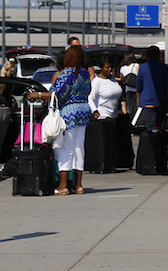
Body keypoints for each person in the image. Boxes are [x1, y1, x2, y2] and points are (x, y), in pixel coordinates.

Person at [32, 44, 92, 195]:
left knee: (65, 148)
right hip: (83, 113)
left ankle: (63, 186)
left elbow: (56, 95)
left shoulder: (66, 73)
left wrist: (37, 95)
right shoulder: (85, 74)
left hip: (69, 114)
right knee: (79, 149)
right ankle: (78, 185)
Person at [86, 59, 123, 173]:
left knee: (113, 144)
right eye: (107, 67)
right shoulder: (97, 82)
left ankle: (112, 163)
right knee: (104, 143)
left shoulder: (112, 79)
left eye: (111, 67)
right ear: (101, 68)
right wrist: (95, 111)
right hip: (103, 116)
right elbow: (90, 98)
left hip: (114, 115)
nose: (109, 70)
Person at [136, 45, 168, 130]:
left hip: (148, 101)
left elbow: (139, 86)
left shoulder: (142, 67)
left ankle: (152, 140)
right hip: (162, 101)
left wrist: (138, 100)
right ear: (158, 55)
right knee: (161, 127)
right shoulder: (164, 68)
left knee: (151, 127)